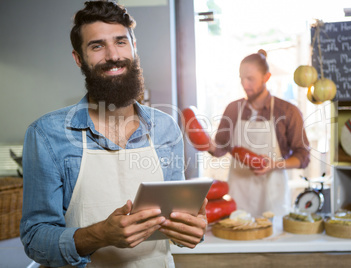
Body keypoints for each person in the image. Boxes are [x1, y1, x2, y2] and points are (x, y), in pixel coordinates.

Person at [20, 1, 207, 267]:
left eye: (121, 42)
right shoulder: (47, 134)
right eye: (97, 46)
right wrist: (101, 235)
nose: (113, 55)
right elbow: (35, 239)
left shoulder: (165, 128)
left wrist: (191, 230)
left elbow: (177, 222)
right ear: (78, 58)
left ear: (133, 47)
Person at [208, 49, 310, 217]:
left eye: (250, 79)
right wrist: (206, 144)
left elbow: (303, 157)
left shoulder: (287, 111)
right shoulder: (233, 109)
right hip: (239, 195)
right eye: (241, 78)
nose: (245, 84)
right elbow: (221, 148)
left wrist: (274, 165)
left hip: (273, 196)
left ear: (266, 77)